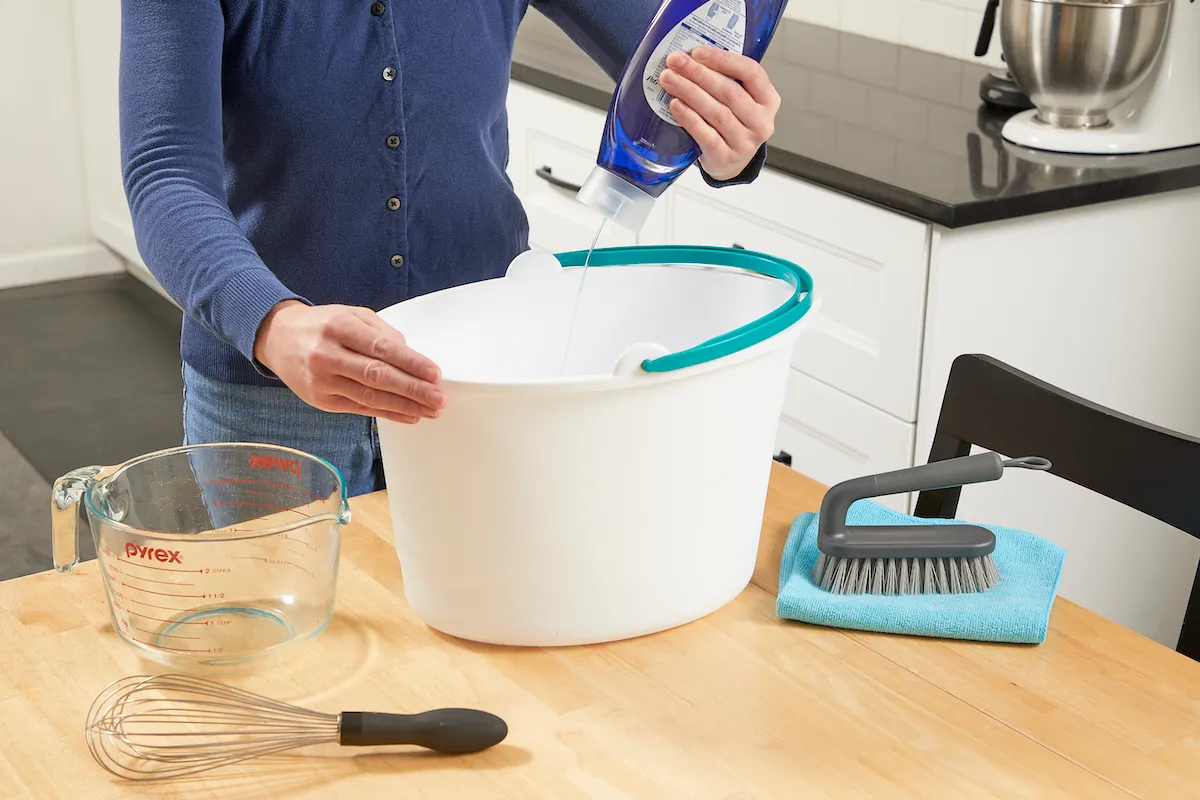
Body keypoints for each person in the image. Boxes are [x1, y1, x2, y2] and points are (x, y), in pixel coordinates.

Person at [120, 1, 782, 496]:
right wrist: (272, 323)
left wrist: (725, 127)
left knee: (492, 661)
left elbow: (683, 62)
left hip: (479, 379)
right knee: (286, 669)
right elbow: (165, 171)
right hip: (274, 399)